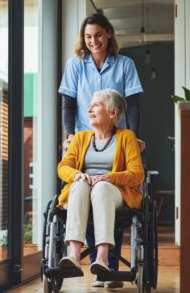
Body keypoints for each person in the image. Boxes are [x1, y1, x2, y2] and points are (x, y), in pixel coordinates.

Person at [58, 13, 144, 288]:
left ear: (108, 34)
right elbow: (68, 102)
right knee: (82, 187)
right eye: (87, 36)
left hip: (114, 142)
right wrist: (70, 135)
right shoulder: (76, 65)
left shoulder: (124, 65)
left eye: (97, 35)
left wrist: (133, 137)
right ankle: (78, 256)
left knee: (104, 189)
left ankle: (106, 265)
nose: (93, 40)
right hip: (86, 138)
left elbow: (134, 102)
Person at [57, 90, 145, 281]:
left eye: (96, 105)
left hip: (114, 193)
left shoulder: (126, 137)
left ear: (113, 113)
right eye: (90, 105)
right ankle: (73, 255)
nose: (89, 109)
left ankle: (103, 258)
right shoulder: (80, 138)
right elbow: (63, 167)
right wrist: (77, 174)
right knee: (79, 185)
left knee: (101, 187)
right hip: (82, 193)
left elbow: (137, 174)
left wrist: (109, 177)